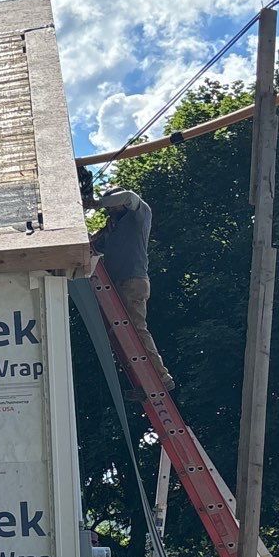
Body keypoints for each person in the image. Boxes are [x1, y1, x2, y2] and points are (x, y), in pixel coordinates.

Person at [79, 167, 174, 392]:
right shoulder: (112, 229)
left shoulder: (138, 215)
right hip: (118, 284)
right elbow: (91, 247)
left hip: (133, 282)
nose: (110, 210)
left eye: (112, 206)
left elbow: (129, 197)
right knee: (118, 333)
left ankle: (162, 378)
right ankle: (140, 381)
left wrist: (94, 203)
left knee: (137, 329)